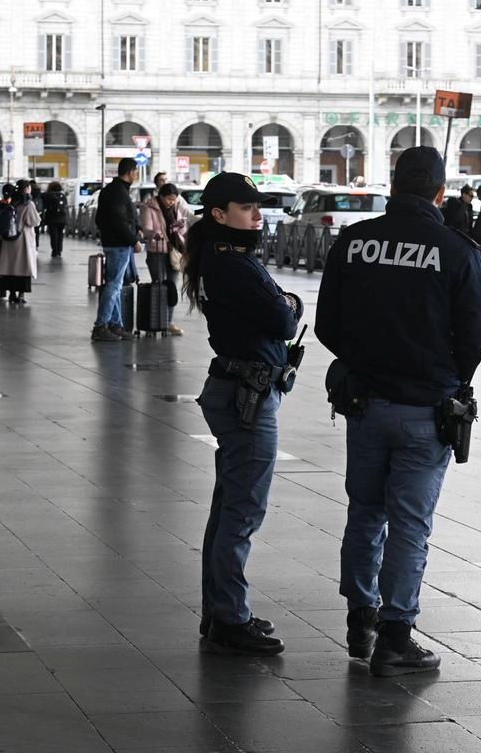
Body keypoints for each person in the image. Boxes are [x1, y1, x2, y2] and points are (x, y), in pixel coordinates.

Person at [317, 147, 481, 677]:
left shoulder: (353, 242)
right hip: (425, 409)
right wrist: (446, 374)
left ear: (393, 186)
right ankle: (396, 636)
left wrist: (366, 361)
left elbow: (328, 322)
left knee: (364, 513)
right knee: (410, 525)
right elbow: (477, 334)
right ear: (440, 193)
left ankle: (359, 618)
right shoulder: (455, 250)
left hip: (364, 404)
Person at [185, 172, 305, 655]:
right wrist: (289, 302)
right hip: (247, 395)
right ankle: (231, 617)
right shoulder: (233, 264)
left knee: (228, 506)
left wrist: (282, 304)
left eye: (259, 206)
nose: (257, 214)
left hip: (236, 388)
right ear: (219, 214)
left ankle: (219, 611)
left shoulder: (220, 257)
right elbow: (282, 318)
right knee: (242, 509)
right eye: (246, 207)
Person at [91, 157, 141, 342]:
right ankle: (100, 326)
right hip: (119, 244)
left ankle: (115, 324)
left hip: (112, 243)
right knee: (113, 286)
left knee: (116, 285)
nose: (136, 175)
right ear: (130, 172)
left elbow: (100, 219)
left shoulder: (110, 190)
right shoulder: (119, 193)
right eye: (136, 171)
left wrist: (137, 228)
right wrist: (133, 239)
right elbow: (119, 221)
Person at [140, 183, 187, 335]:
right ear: (161, 196)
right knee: (159, 286)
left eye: (174, 199)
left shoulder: (175, 208)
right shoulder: (150, 207)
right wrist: (154, 234)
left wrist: (180, 226)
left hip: (173, 251)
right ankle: (154, 322)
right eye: (169, 199)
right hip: (157, 250)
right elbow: (146, 228)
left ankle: (168, 323)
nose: (171, 202)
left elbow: (182, 230)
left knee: (172, 287)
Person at [0, 184, 41, 305]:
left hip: (9, 239)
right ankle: (21, 295)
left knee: (11, 268)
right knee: (23, 268)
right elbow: (34, 221)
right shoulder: (28, 204)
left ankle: (12, 294)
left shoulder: (12, 201)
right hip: (22, 240)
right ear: (26, 189)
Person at [42, 180, 69, 258]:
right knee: (60, 235)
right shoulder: (62, 195)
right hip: (62, 218)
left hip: (52, 218)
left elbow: (45, 205)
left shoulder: (48, 195)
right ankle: (59, 250)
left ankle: (54, 250)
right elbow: (65, 206)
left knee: (53, 235)